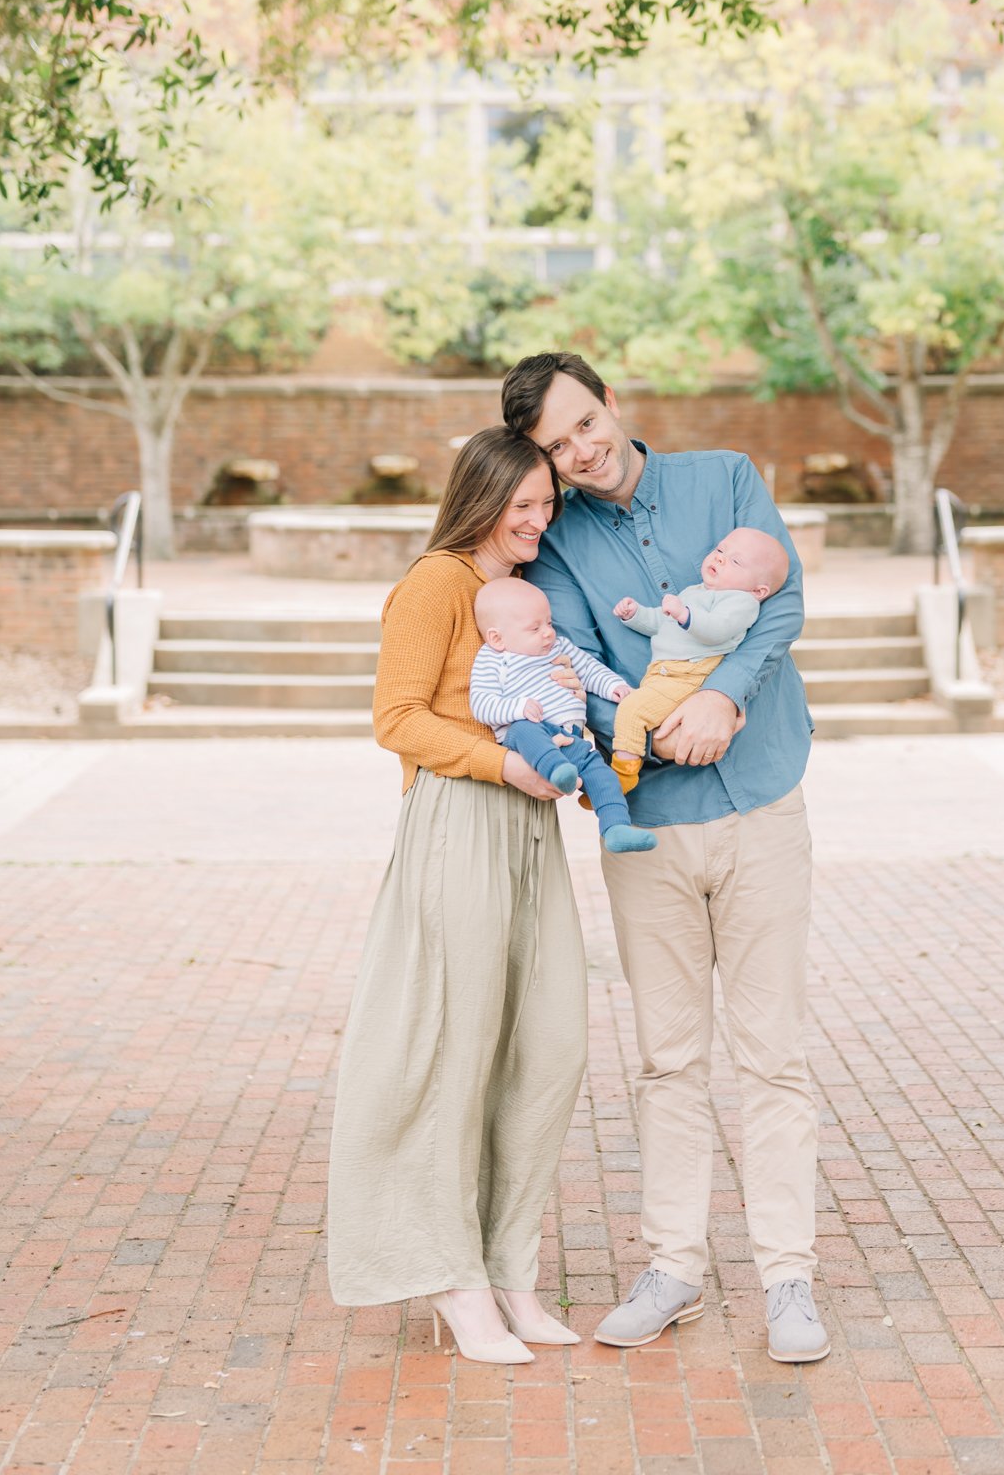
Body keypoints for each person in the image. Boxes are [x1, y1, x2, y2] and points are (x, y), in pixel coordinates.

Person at [501, 352, 828, 1366]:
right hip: (645, 820)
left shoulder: (722, 475)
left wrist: (723, 693)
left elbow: (779, 595)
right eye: (557, 446)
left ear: (611, 401)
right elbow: (569, 663)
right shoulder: (558, 544)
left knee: (772, 1048)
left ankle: (788, 1275)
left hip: (763, 793)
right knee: (668, 1054)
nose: (582, 452)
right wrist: (640, 721)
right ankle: (674, 1265)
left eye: (586, 424)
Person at [327, 429, 586, 1364]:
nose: (536, 521)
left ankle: (511, 1266)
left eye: (546, 505)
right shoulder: (436, 582)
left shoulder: (522, 591)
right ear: (478, 497)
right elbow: (395, 717)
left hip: (528, 824)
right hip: (459, 818)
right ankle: (454, 1279)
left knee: (547, 1044)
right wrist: (503, 762)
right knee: (455, 1048)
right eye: (520, 505)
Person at [469, 577, 657, 852]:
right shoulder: (493, 659)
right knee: (523, 728)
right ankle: (557, 770)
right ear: (497, 638)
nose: (548, 633)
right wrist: (517, 708)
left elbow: (589, 669)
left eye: (549, 622)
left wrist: (614, 686)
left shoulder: (559, 647)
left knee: (602, 775)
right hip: (528, 737)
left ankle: (616, 827)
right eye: (535, 628)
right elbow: (481, 704)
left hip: (570, 737)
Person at [609, 526, 790, 796]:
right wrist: (635, 615)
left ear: (759, 590)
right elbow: (662, 620)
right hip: (666, 673)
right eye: (720, 550)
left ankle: (618, 781)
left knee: (631, 710)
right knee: (638, 710)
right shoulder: (696, 591)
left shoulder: (741, 602)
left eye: (735, 561)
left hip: (689, 672)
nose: (719, 558)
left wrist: (684, 615)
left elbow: (716, 629)